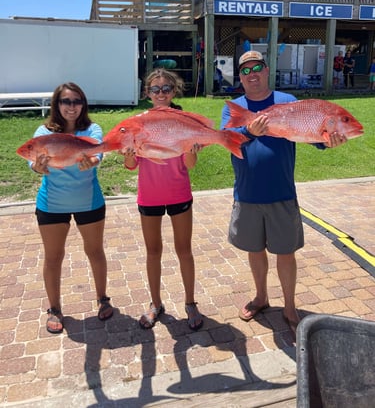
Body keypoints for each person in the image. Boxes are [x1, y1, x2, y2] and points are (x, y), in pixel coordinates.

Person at [221, 51, 347, 341]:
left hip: (281, 191)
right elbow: (227, 138)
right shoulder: (234, 107)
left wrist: (330, 141)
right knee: (255, 250)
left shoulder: (288, 102)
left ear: (267, 70)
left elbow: (314, 137)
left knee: (285, 253)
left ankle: (290, 308)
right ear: (240, 76)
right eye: (245, 70)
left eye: (257, 67)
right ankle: (261, 297)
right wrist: (249, 131)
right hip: (247, 192)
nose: (252, 74)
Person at [123, 68, 203, 331]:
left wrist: (191, 149)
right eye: (155, 89)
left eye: (166, 89)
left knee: (184, 250)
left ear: (174, 91)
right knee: (153, 251)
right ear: (147, 93)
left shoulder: (184, 120)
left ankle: (190, 303)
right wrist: (129, 152)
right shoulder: (137, 122)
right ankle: (155, 303)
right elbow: (130, 165)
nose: (160, 93)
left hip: (179, 192)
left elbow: (190, 164)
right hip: (150, 196)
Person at [29, 82, 113, 334]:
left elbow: (97, 151)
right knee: (53, 257)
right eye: (66, 101)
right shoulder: (44, 131)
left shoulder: (92, 128)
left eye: (77, 101)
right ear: (57, 104)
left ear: (83, 104)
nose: (71, 107)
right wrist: (37, 167)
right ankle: (54, 308)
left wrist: (96, 159)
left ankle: (103, 298)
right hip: (52, 203)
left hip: (89, 201)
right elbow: (32, 160)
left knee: (95, 251)